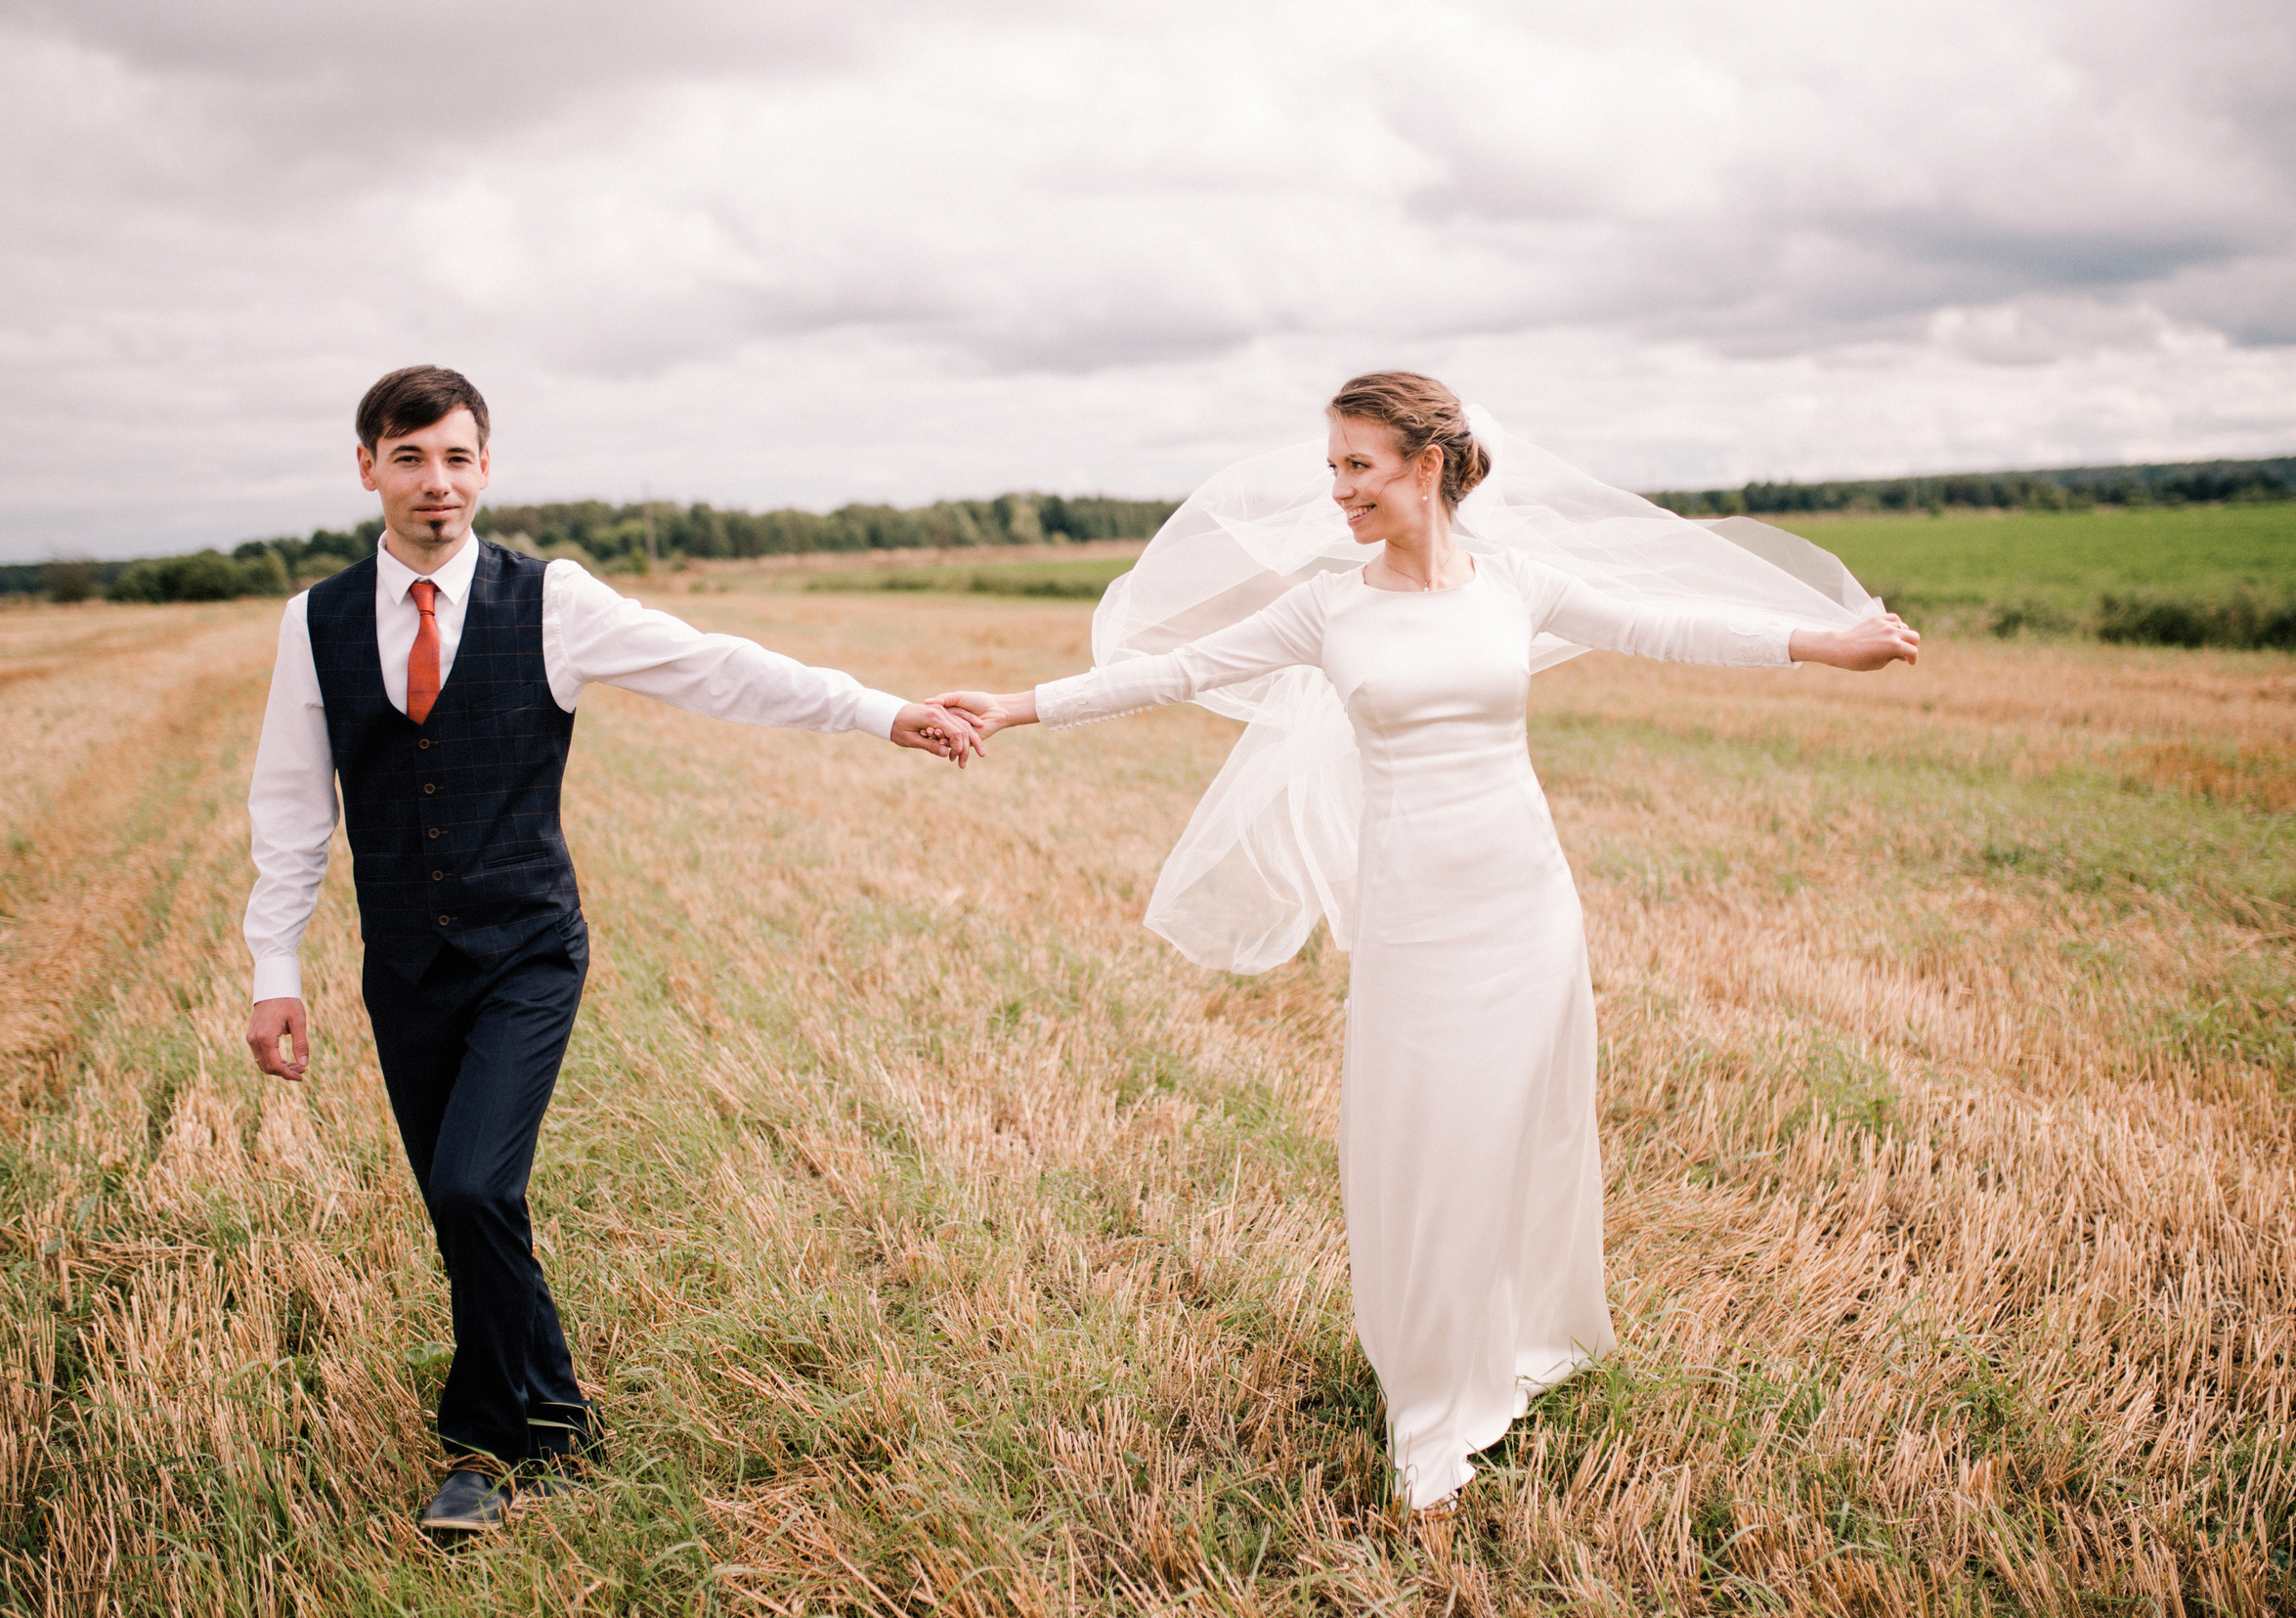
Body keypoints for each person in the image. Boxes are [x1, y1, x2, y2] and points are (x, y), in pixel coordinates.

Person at [932, 372, 1918, 1516]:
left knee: (1522, 1126)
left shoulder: (1514, 581)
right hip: (1414, 909)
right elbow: (1178, 669)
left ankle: (1526, 1331)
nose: (1339, 489)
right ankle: (1434, 1394)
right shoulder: (1328, 606)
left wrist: (1821, 643)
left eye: (1359, 465)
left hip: (1526, 896)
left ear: (1429, 465)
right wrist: (1014, 703)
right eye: (1334, 467)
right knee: (1429, 1136)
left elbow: (1666, 621)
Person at [240, 365, 976, 1539]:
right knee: (458, 1205)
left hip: (528, 950)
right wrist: (277, 969)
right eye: (414, 456)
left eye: (460, 457)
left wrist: (874, 707)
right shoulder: (315, 619)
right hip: (403, 965)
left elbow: (718, 666)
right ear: (369, 466)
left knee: (478, 1182)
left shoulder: (555, 600)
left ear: (488, 467)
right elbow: (290, 804)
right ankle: (560, 1417)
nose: (439, 482)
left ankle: (483, 1442)